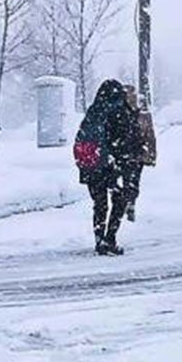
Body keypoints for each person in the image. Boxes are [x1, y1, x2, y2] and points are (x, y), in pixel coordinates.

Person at [75, 80, 141, 255]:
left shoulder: (94, 110)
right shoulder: (119, 111)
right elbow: (126, 139)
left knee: (99, 203)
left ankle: (99, 239)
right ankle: (110, 238)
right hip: (113, 165)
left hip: (92, 165)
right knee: (119, 200)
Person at [121, 84, 157, 222]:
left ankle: (130, 204)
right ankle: (127, 204)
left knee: (133, 180)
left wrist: (151, 155)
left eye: (132, 94)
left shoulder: (143, 115)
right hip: (124, 153)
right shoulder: (120, 114)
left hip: (137, 153)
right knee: (127, 180)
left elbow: (150, 136)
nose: (132, 97)